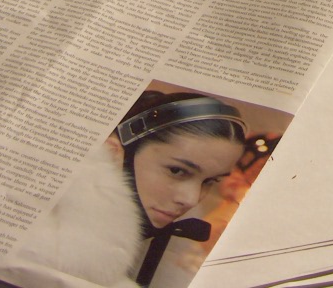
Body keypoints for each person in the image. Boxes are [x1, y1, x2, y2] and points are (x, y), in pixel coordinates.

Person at [25, 90, 248, 288]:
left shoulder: (176, 253)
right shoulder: (37, 239)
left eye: (209, 181)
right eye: (177, 171)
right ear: (113, 152)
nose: (190, 199)